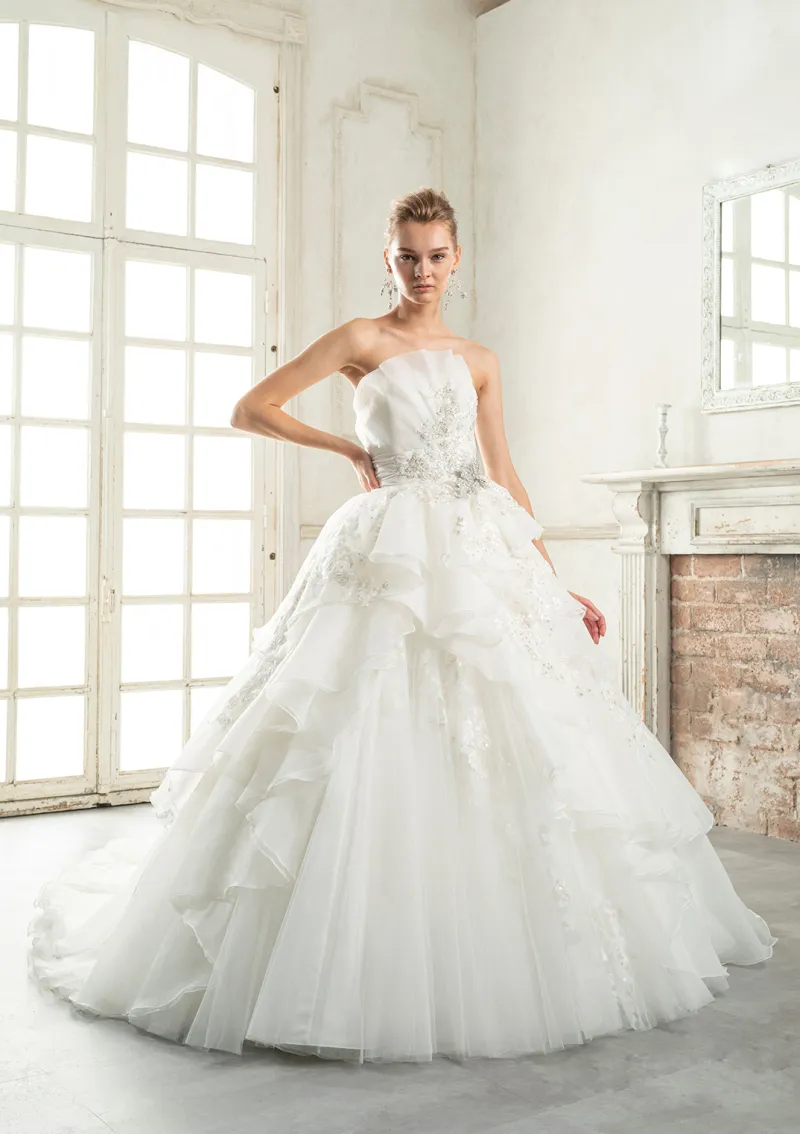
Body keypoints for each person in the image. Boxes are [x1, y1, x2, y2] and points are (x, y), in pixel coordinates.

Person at [28, 187, 775, 1064]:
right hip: (388, 547)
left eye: (437, 256)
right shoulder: (361, 340)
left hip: (477, 546)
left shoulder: (480, 358)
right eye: (408, 256)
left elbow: (504, 475)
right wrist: (350, 450)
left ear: (458, 260)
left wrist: (554, 584)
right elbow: (251, 408)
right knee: (357, 715)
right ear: (389, 259)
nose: (423, 271)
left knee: (509, 734)